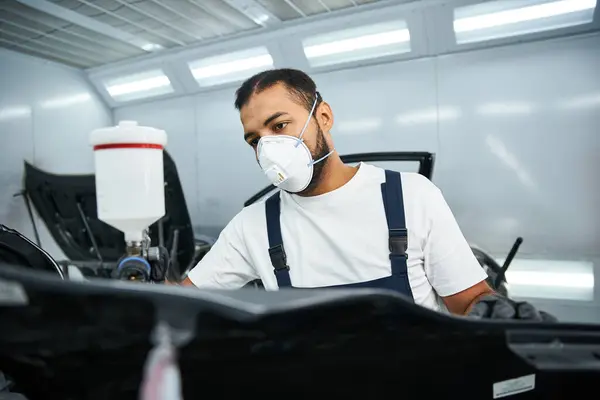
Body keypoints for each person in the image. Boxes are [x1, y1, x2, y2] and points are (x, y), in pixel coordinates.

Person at [179, 68, 552, 321]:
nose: (268, 149)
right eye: (255, 141)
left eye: (280, 126)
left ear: (322, 117)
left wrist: (497, 311)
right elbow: (180, 304)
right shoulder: (253, 226)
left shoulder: (411, 196)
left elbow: (468, 300)